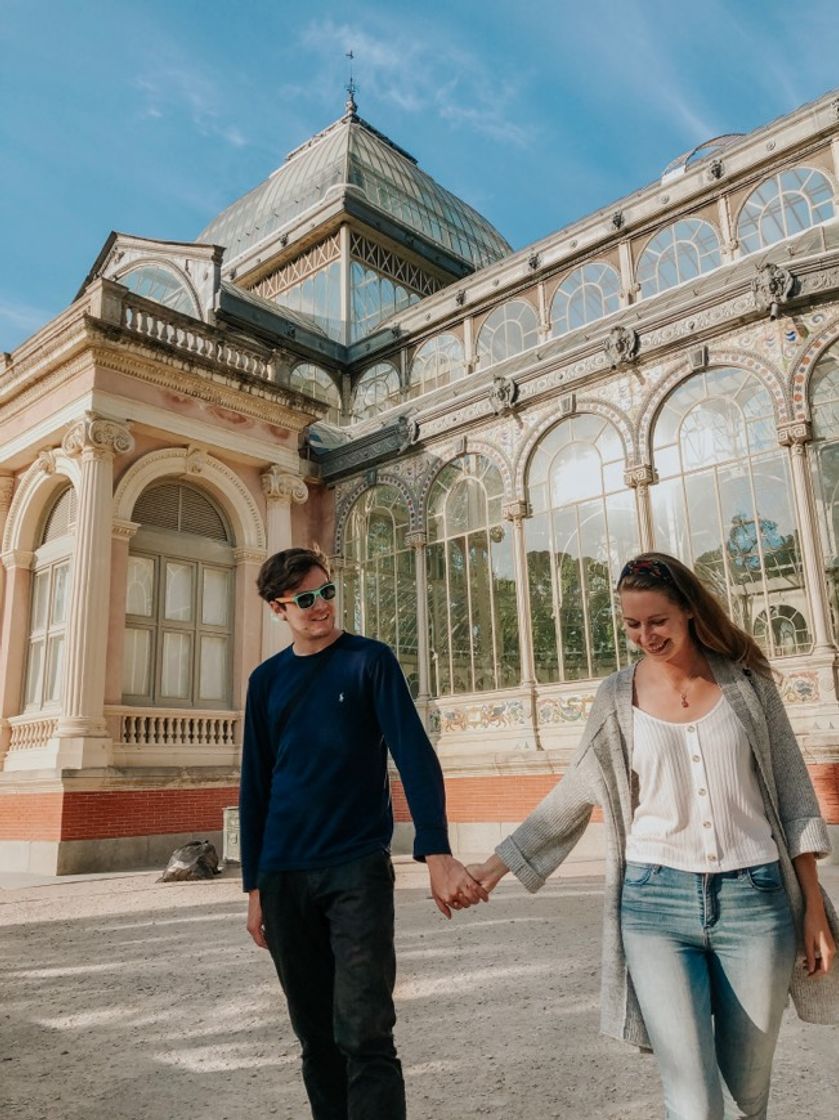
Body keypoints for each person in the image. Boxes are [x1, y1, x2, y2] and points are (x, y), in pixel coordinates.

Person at [468, 552, 839, 1120]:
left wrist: (813, 908)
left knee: (748, 1085)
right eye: (632, 625)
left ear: (689, 611)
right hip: (654, 904)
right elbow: (573, 792)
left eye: (657, 621)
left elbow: (794, 794)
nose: (645, 636)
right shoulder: (616, 697)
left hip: (756, 900)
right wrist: (492, 869)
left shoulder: (747, 681)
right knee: (693, 1100)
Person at [239, 546, 485, 1120]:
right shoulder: (266, 682)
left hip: (356, 869)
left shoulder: (370, 661)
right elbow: (255, 786)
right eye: (304, 599)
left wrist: (437, 849)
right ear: (279, 609)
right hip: (283, 875)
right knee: (315, 1037)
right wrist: (254, 886)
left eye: (326, 592)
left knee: (365, 1029)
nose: (320, 606)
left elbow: (415, 755)